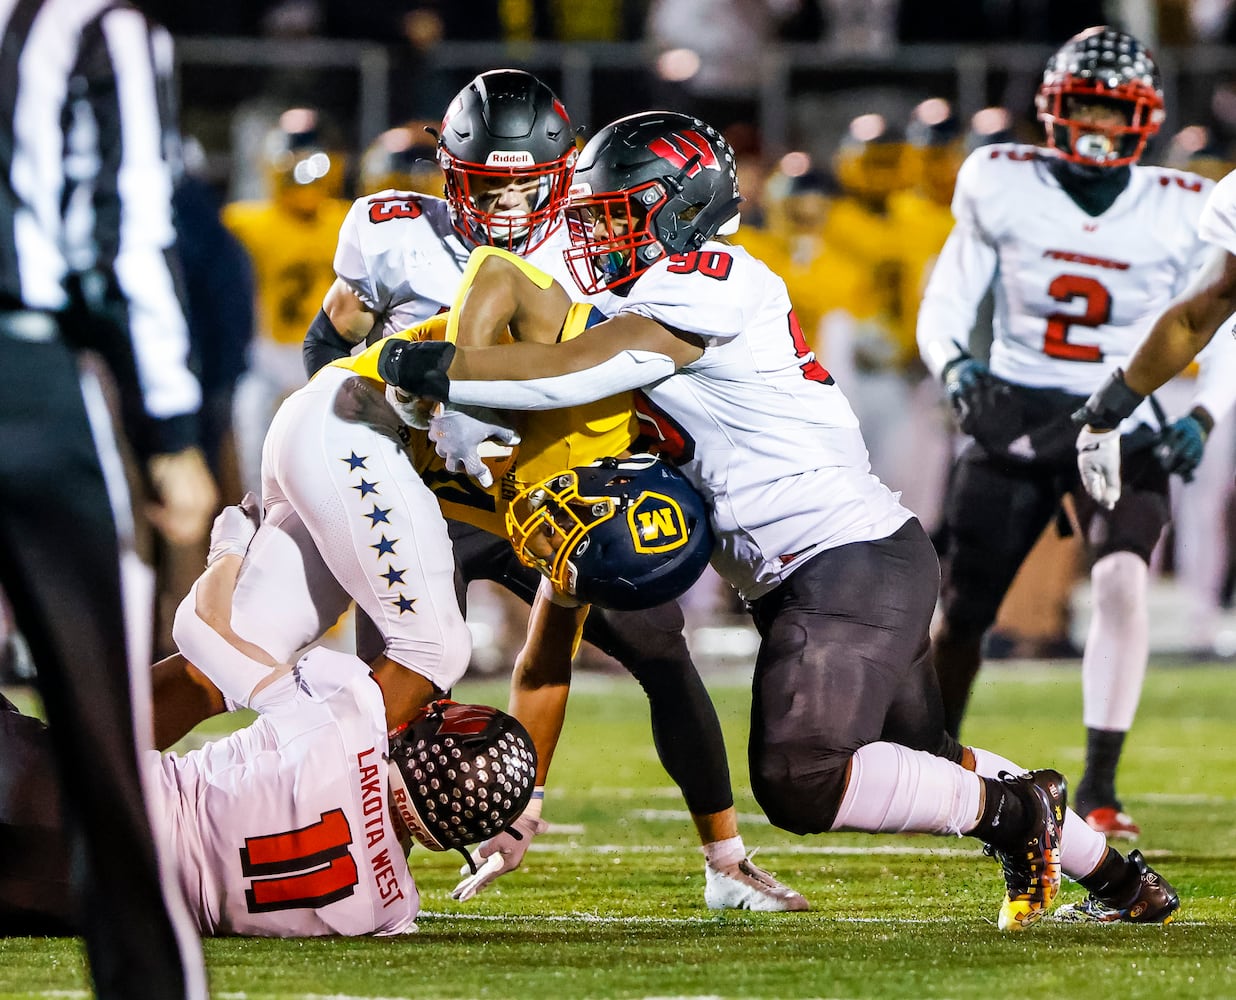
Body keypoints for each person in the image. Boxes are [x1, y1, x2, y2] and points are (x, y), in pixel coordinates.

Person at [373, 109, 1180, 929]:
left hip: (843, 559)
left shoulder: (714, 276)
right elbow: (503, 274)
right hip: (838, 567)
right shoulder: (629, 293)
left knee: (801, 777)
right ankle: (1122, 882)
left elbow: (574, 368)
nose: (597, 236)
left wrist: (438, 370)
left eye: (618, 215)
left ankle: (1021, 814)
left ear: (682, 211)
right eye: (591, 217)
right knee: (929, 761)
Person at [299, 68, 808, 911]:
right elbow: (329, 339)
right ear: (452, 174)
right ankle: (362, 864)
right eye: (488, 188)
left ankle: (725, 858)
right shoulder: (389, 230)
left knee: (656, 644)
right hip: (417, 491)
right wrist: (344, 449)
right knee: (392, 688)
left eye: (526, 187)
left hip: (539, 493)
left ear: (566, 174)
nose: (506, 208)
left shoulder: (596, 239)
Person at [916, 26, 1236, 839]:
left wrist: (1203, 411)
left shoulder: (1184, 204)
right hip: (1020, 405)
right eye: (1083, 103)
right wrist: (957, 368)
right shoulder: (999, 179)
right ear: (1052, 110)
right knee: (961, 608)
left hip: (1130, 417)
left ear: (1144, 117)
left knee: (1124, 583)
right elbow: (951, 289)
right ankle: (928, 755)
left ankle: (1099, 781)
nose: (1095, 121)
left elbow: (1217, 320)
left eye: (1111, 105)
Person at [0, 500, 537, 937]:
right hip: (73, 904)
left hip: (72, 799)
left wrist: (229, 546)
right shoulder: (389, 911)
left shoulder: (344, 726)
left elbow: (204, 630)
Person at [0, 2, 216, 997]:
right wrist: (171, 437)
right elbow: (124, 239)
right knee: (101, 735)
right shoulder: (89, 24)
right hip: (27, 380)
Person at [225, 107, 352, 495]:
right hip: (268, 355)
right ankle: (253, 516)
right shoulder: (246, 222)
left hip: (334, 354)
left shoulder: (349, 218)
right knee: (247, 427)